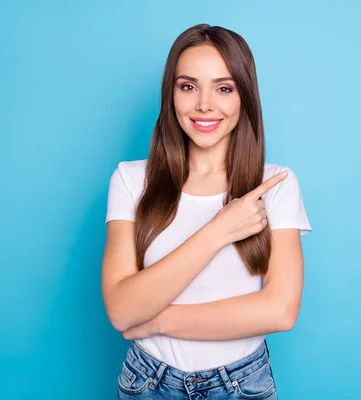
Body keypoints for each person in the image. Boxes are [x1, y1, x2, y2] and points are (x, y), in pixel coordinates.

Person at [101, 23, 312, 399]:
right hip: (148, 382)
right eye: (188, 86)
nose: (204, 104)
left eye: (224, 88)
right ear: (171, 94)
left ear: (243, 96)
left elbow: (280, 310)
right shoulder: (131, 180)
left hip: (241, 384)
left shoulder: (275, 183)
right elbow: (121, 309)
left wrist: (158, 320)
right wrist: (219, 230)